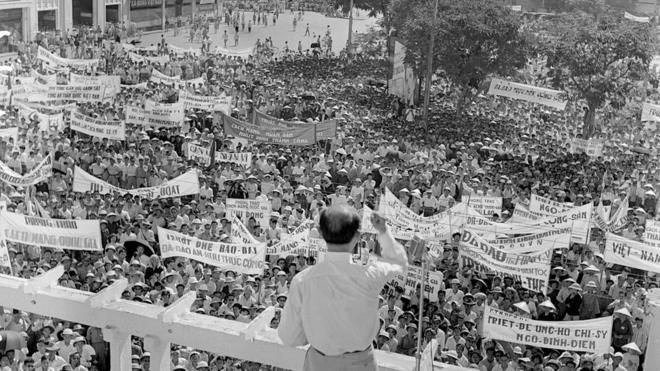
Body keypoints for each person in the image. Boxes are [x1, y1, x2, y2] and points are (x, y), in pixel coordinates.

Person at [278, 206, 408, 370]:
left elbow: (290, 338)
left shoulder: (302, 281)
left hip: (319, 364)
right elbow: (399, 262)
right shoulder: (370, 275)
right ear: (358, 236)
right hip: (362, 364)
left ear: (320, 232)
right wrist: (383, 231)